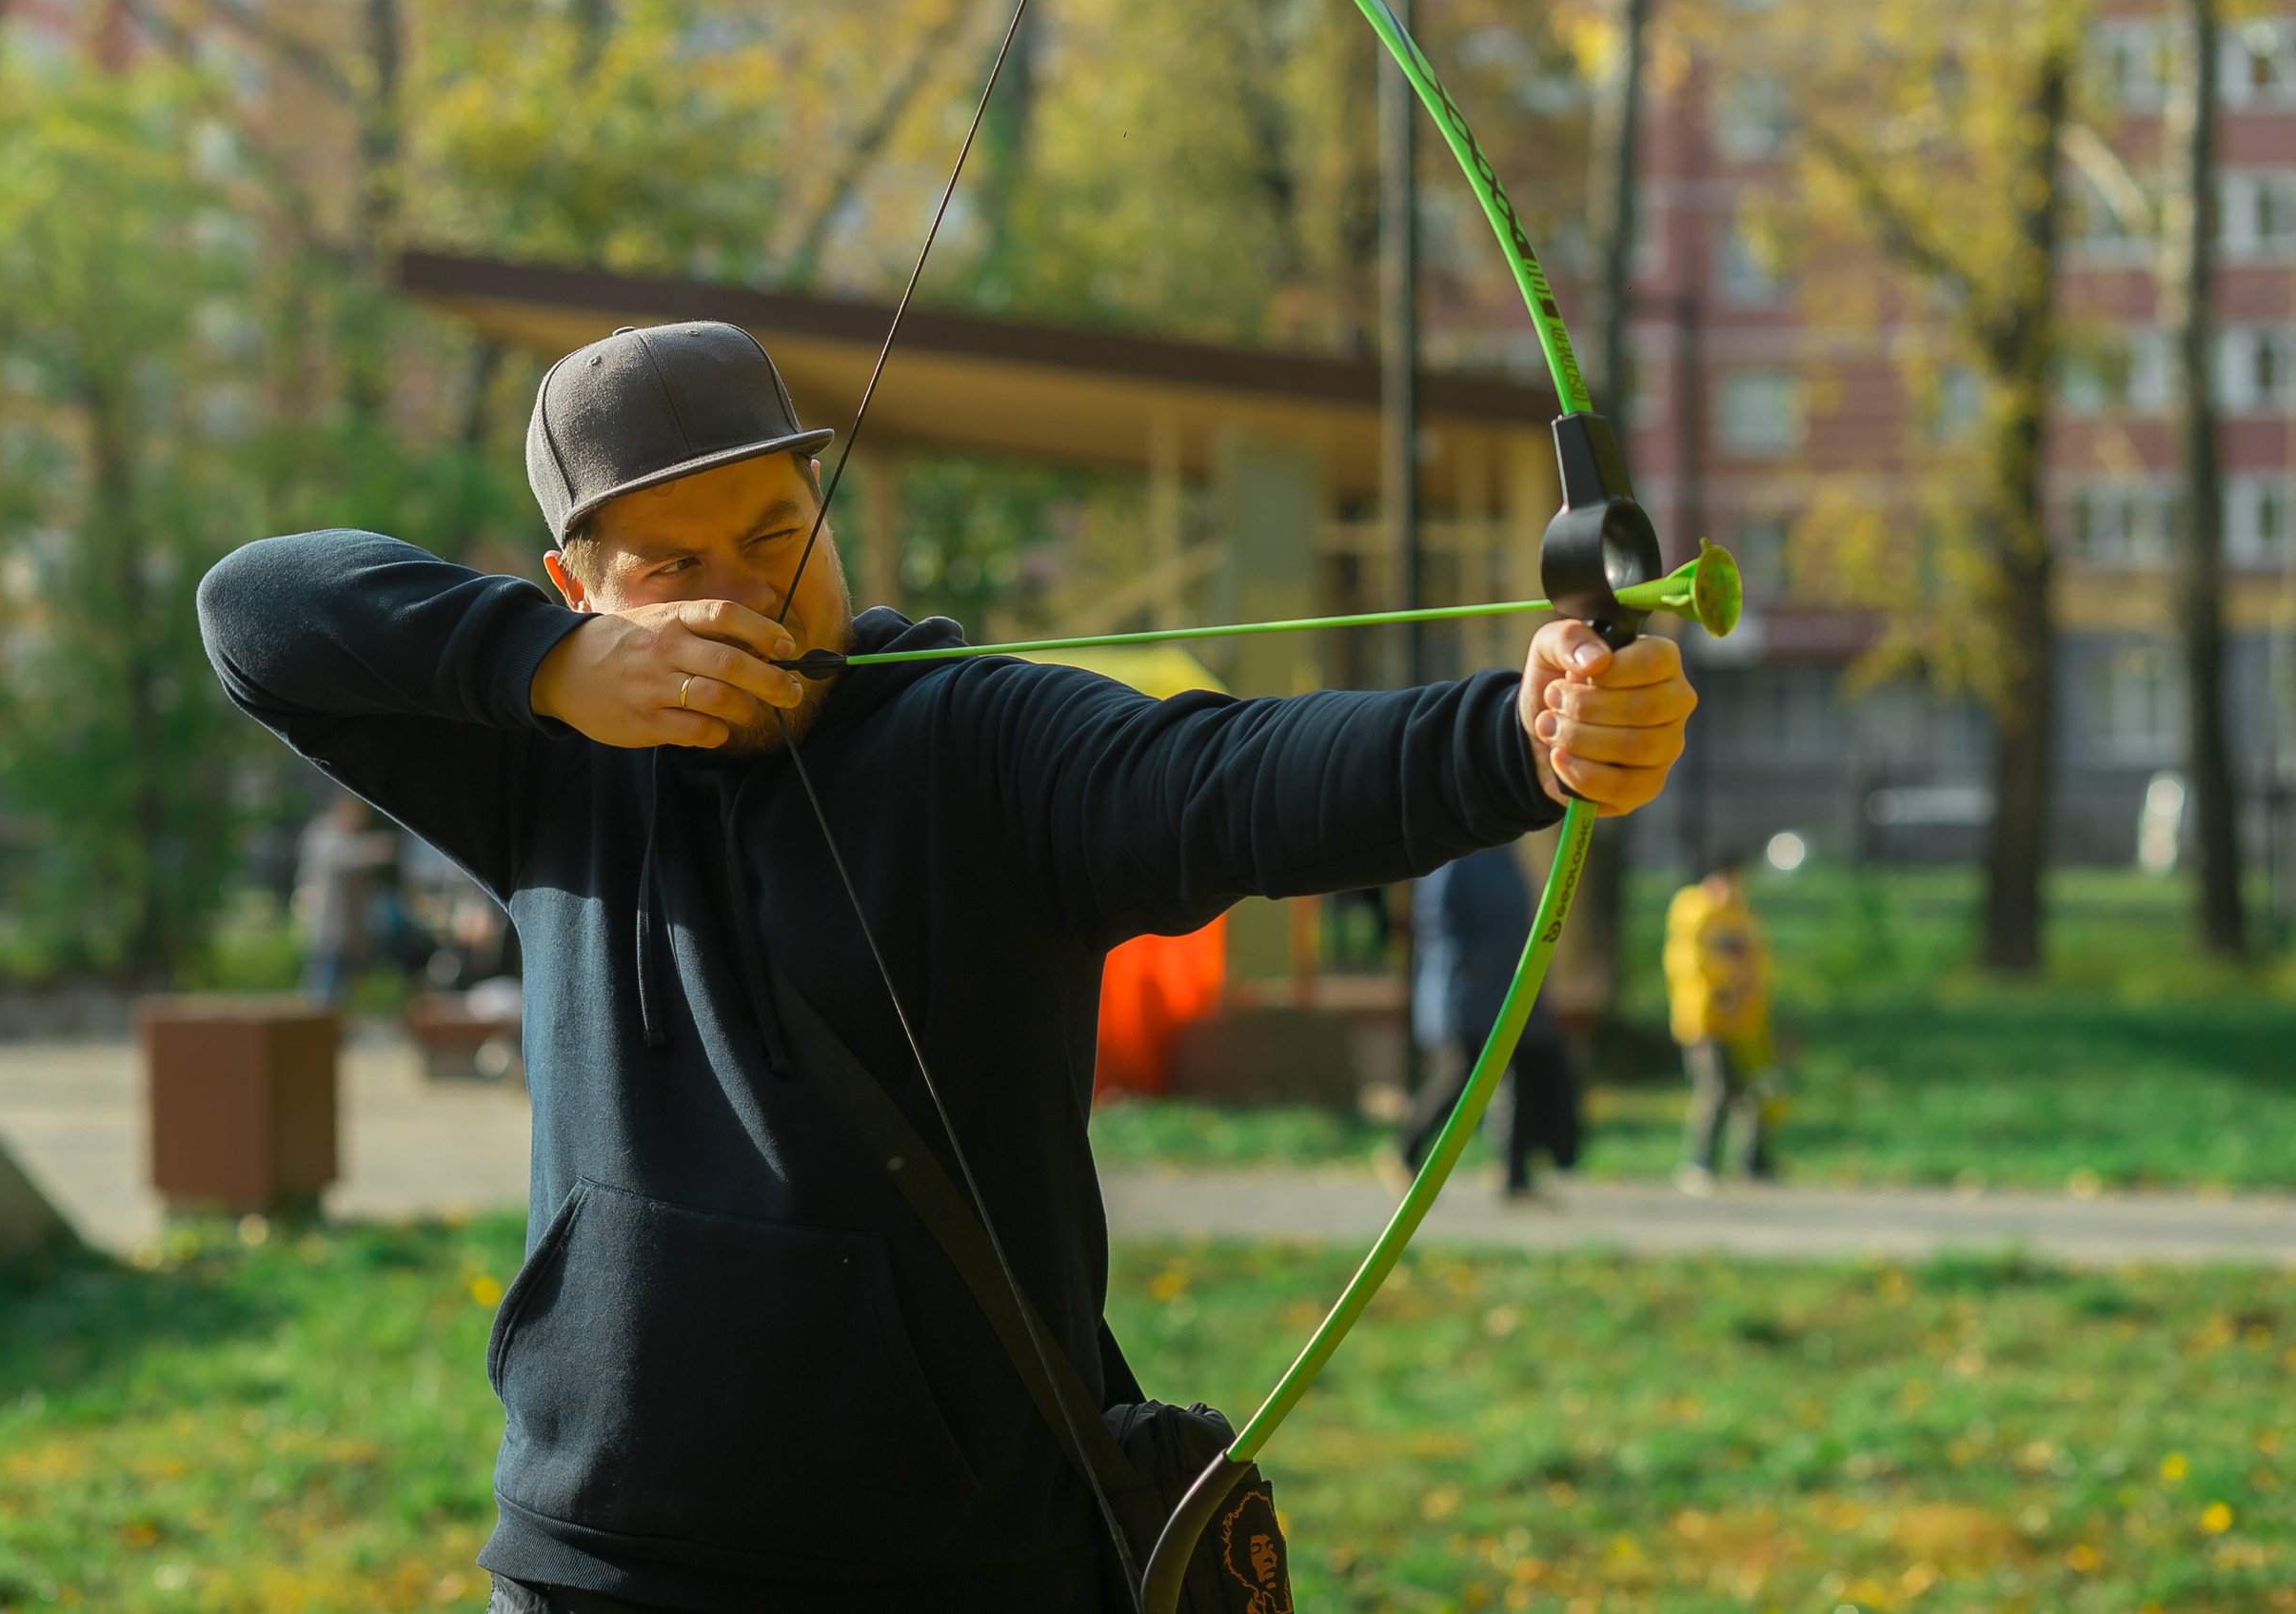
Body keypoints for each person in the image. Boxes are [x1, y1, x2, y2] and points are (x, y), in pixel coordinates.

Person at [196, 319, 1697, 1614]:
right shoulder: (545, 767)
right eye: (674, 565)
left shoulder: (979, 742)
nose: (748, 592)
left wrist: (1519, 737)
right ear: (574, 581)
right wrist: (544, 670)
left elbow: (1227, 772)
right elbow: (255, 607)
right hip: (601, 1557)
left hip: (959, 1555)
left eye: (780, 532)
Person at [1399, 847, 1580, 1198]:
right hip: (1465, 988)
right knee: (1462, 1076)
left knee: (1517, 1075)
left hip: (1507, 988)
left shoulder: (1506, 849)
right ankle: (1406, 1150)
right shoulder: (1456, 850)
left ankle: (1513, 1175)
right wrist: (1477, 962)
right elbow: (1436, 919)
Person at [1663, 848, 1776, 1195]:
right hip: (1704, 1020)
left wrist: (1749, 998)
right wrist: (1722, 991)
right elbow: (1689, 963)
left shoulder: (1739, 915)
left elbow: (1757, 961)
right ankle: (1698, 1163)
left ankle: (1754, 1162)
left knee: (1752, 1090)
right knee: (1715, 1089)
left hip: (1742, 1019)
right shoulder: (1694, 912)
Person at [292, 792, 396, 1006]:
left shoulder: (339, 837)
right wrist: (378, 848)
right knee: (322, 992)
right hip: (327, 929)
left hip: (345, 933)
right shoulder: (324, 834)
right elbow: (344, 856)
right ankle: (315, 1030)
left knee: (337, 991)